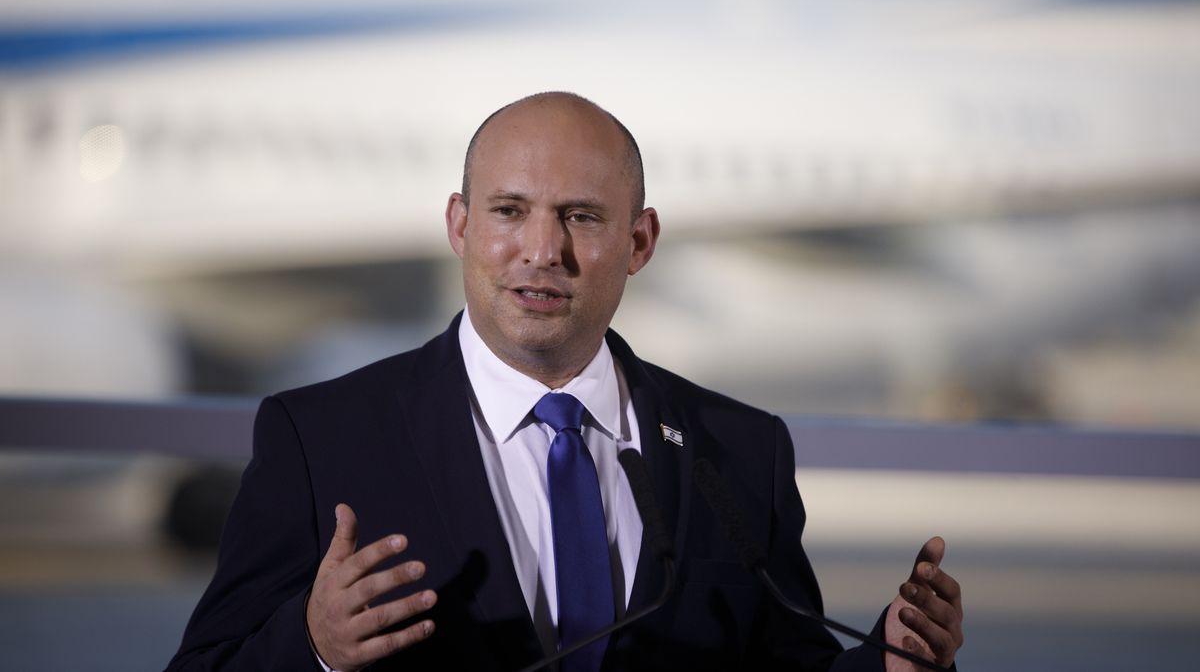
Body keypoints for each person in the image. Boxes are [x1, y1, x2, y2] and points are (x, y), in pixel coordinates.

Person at [167, 92, 964, 672]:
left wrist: (889, 662)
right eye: (510, 211)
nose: (543, 249)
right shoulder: (322, 439)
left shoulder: (740, 451)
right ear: (460, 225)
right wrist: (314, 647)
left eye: (580, 216)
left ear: (640, 241)